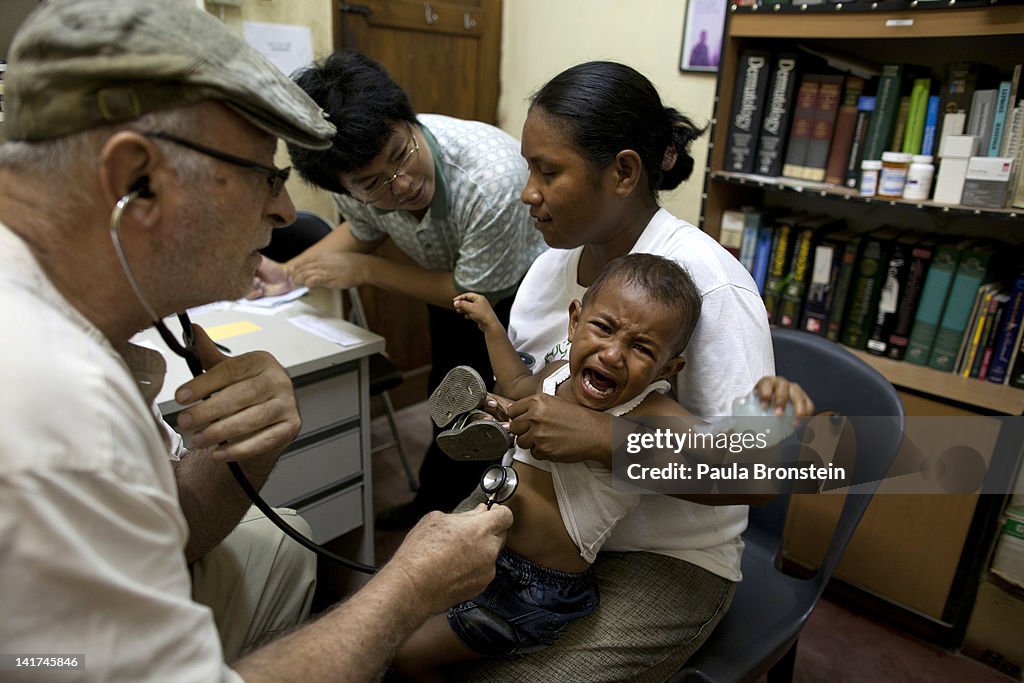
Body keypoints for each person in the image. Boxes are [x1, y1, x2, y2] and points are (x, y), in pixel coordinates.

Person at [0, 2, 511, 682]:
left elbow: (171, 530)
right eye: (263, 176)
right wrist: (408, 587)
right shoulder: (55, 408)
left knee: (283, 538)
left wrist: (235, 454)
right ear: (135, 180)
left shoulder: (66, 307)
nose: (280, 212)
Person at [443, 61, 814, 682]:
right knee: (395, 625)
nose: (527, 192)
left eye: (548, 170)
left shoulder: (709, 285)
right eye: (529, 168)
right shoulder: (549, 271)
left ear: (623, 171)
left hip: (664, 557)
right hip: (543, 526)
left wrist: (603, 440)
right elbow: (540, 393)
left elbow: (759, 472)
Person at [251, 50, 547, 529]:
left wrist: (365, 273)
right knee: (447, 396)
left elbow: (474, 292)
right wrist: (287, 273)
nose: (403, 184)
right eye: (373, 184)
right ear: (346, 187)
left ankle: (482, 514)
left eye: (401, 154)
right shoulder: (356, 178)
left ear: (406, 120)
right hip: (451, 288)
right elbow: (364, 232)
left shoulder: (491, 179)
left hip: (510, 298)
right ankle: (437, 508)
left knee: (501, 407)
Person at [393, 253, 703, 679]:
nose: (613, 354)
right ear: (574, 322)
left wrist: (600, 436)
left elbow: (739, 459)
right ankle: (480, 417)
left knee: (407, 655)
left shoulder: (651, 410)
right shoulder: (560, 374)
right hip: (487, 552)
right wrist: (492, 330)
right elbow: (520, 387)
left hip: (538, 591)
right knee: (397, 617)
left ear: (669, 367)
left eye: (641, 348)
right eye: (604, 328)